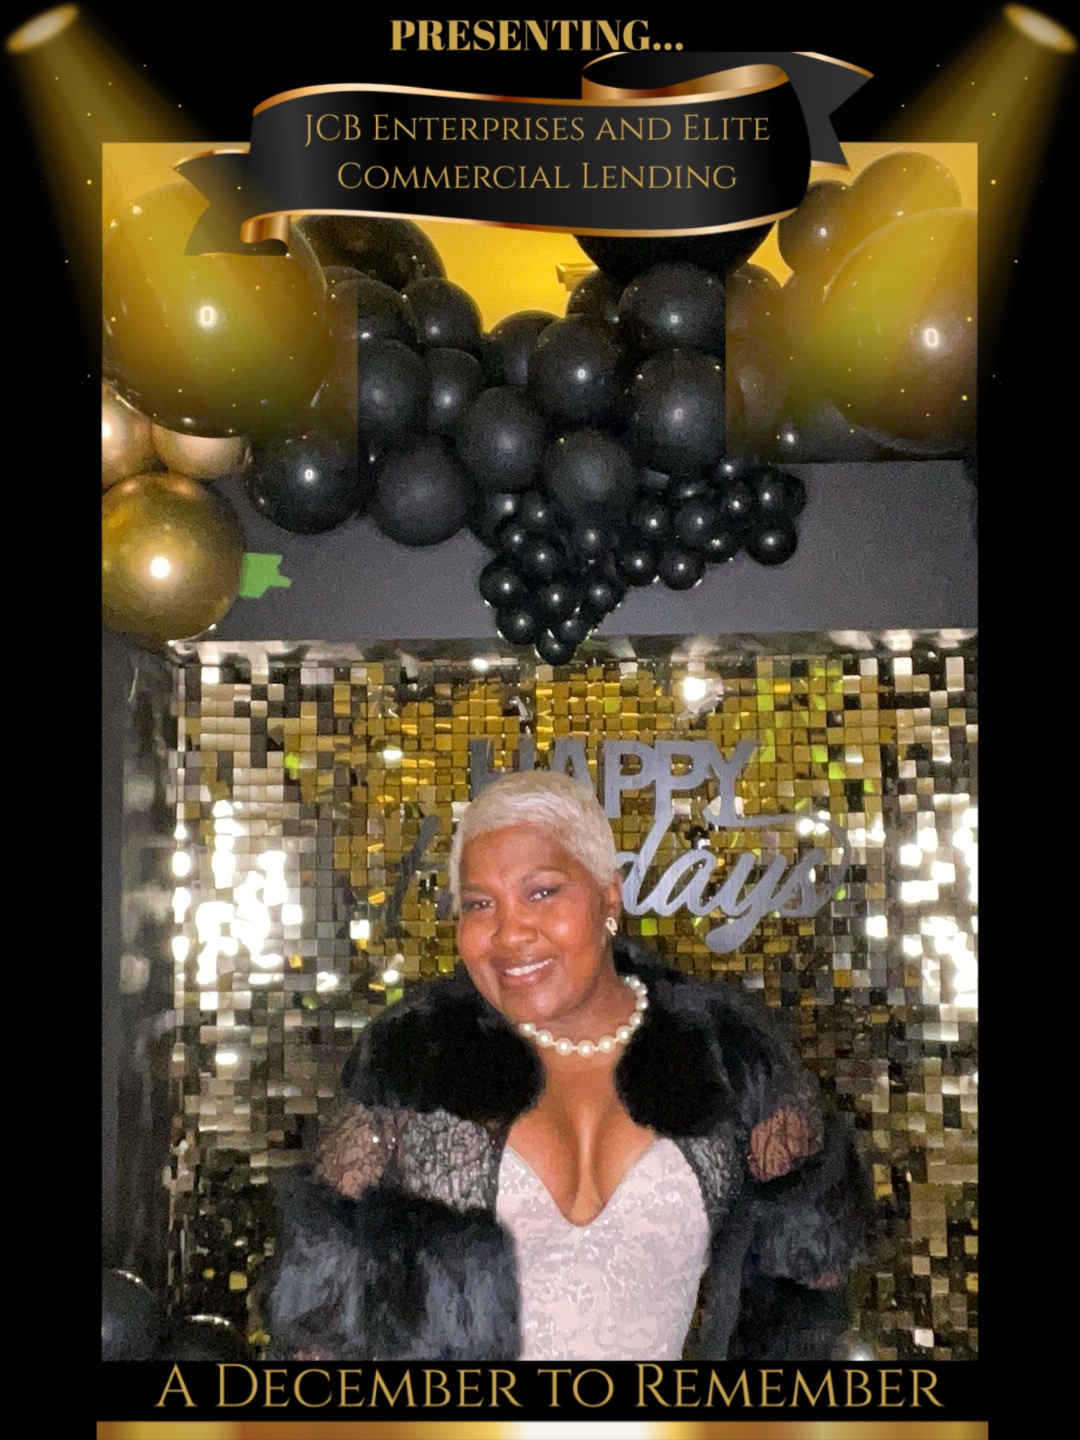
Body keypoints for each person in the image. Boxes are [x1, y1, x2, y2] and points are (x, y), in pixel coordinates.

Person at [267, 770, 874, 1361]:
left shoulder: (729, 1055)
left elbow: (807, 1288)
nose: (510, 933)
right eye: (480, 903)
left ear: (609, 896)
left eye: (541, 892)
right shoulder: (410, 1060)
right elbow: (316, 1319)